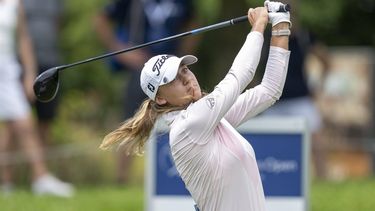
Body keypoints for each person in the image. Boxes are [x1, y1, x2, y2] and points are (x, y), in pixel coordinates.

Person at [100, 1, 291, 210]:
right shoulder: (188, 125)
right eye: (173, 79)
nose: (187, 79)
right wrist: (258, 27)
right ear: (161, 99)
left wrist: (281, 24)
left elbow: (270, 90)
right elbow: (240, 76)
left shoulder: (212, 119)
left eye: (185, 70)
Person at [94, 0, 198, 184]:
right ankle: (121, 180)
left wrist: (182, 54)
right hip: (141, 71)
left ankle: (180, 179)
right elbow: (101, 19)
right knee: (131, 121)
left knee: (185, 119)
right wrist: (121, 52)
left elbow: (194, 21)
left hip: (172, 73)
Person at [0, 0, 73, 197]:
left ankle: (39, 178)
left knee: (23, 123)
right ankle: (8, 183)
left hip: (7, 72)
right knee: (12, 127)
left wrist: (29, 72)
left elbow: (24, 39)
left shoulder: (16, 4)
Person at [259, 0, 330, 178]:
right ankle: (272, 179)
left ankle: (323, 179)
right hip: (273, 101)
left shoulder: (304, 37)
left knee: (317, 143)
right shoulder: (265, 36)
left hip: (300, 98)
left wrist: (318, 87)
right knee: (268, 145)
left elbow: (326, 61)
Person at [23, 0, 63, 147]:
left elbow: (57, 24)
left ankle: (43, 168)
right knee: (17, 122)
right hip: (23, 65)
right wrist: (28, 70)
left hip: (50, 63)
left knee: (46, 121)